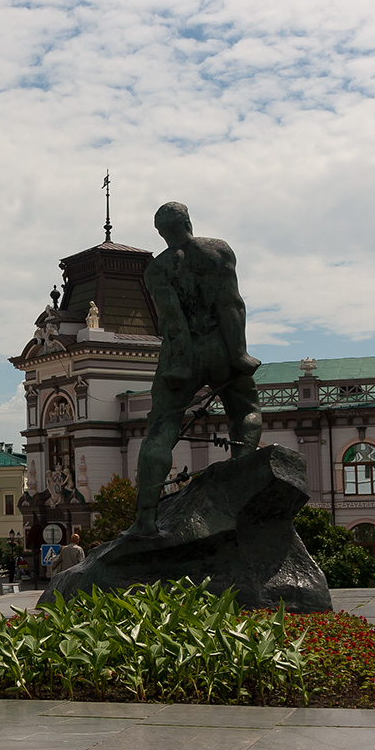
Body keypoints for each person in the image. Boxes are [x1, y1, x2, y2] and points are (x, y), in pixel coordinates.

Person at [132, 202, 262, 536]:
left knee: (161, 430)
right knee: (245, 409)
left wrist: (179, 363)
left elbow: (172, 319)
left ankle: (145, 520)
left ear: (161, 233)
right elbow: (232, 304)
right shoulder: (219, 251)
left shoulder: (158, 270)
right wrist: (239, 353)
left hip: (182, 356)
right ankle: (241, 477)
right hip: (221, 347)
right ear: (188, 222)